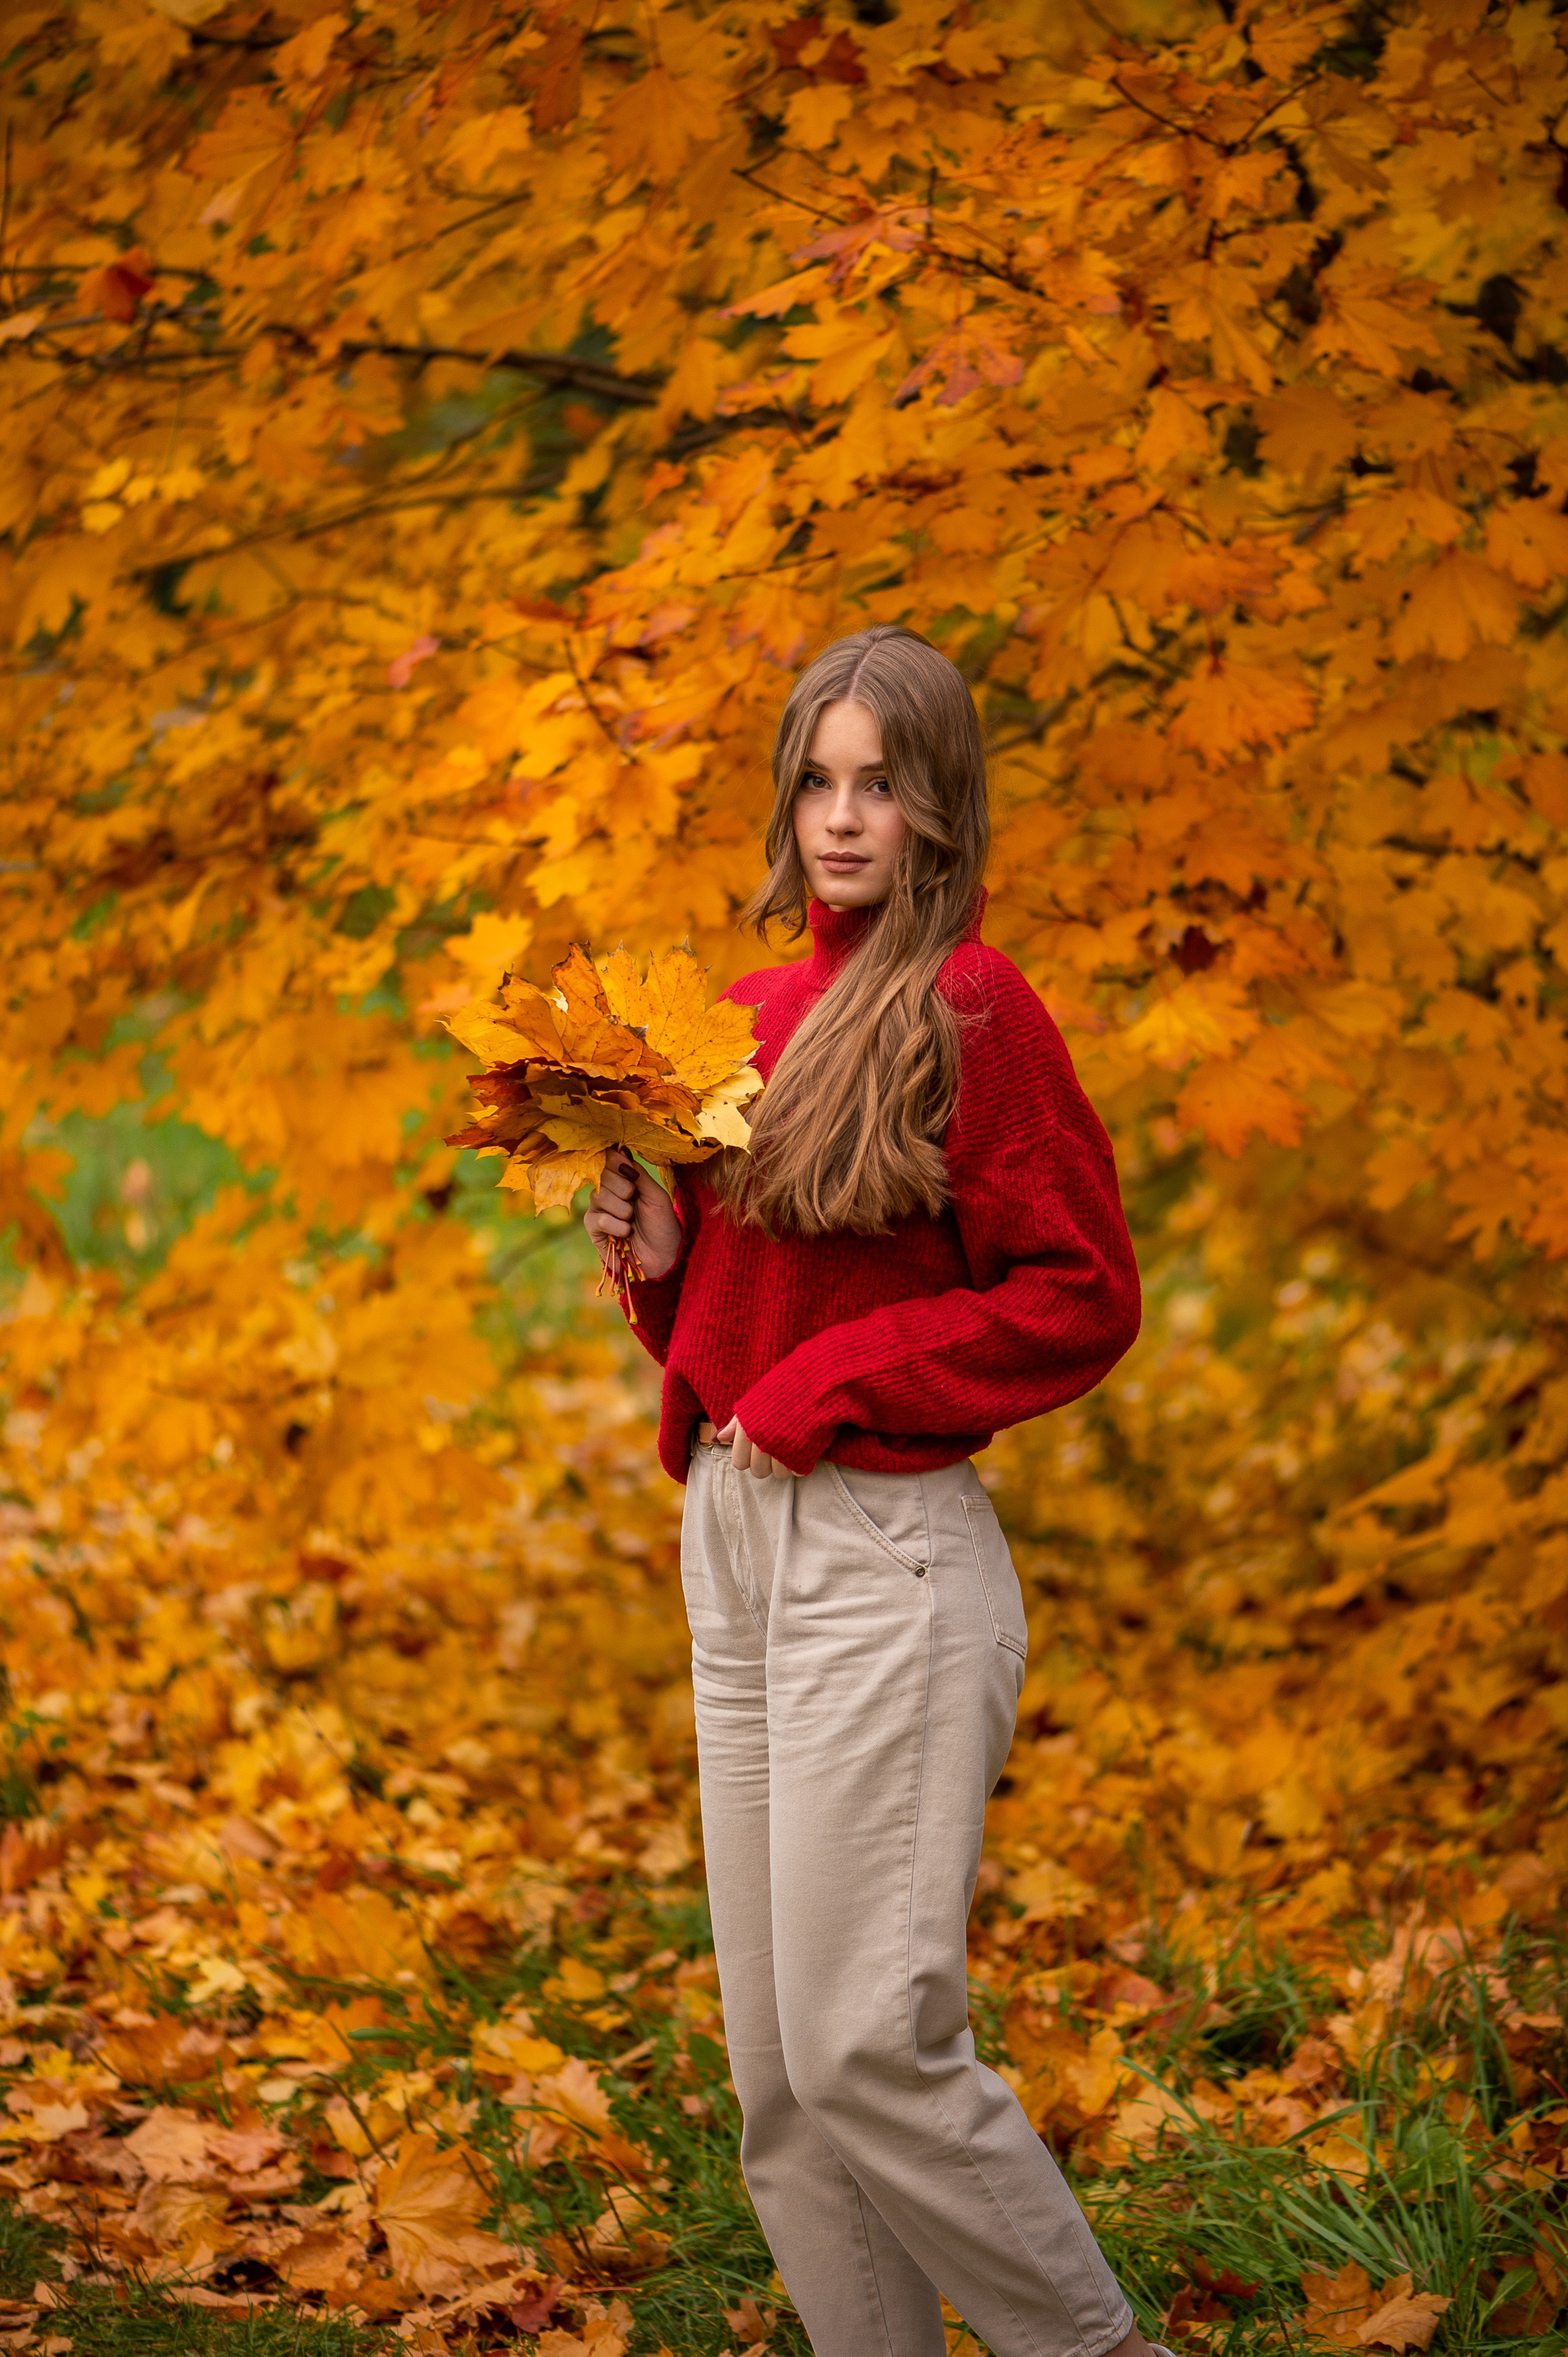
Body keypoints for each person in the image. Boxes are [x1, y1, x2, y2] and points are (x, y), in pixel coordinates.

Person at [585, 626, 1167, 2357]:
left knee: (867, 2045)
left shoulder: (972, 1010)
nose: (845, 819)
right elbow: (737, 1345)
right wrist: (659, 1265)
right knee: (779, 2081)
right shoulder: (751, 1023)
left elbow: (1078, 1290)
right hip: (737, 1545)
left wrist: (832, 1384)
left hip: (885, 1560)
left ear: (939, 807)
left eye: (882, 784)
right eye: (821, 780)